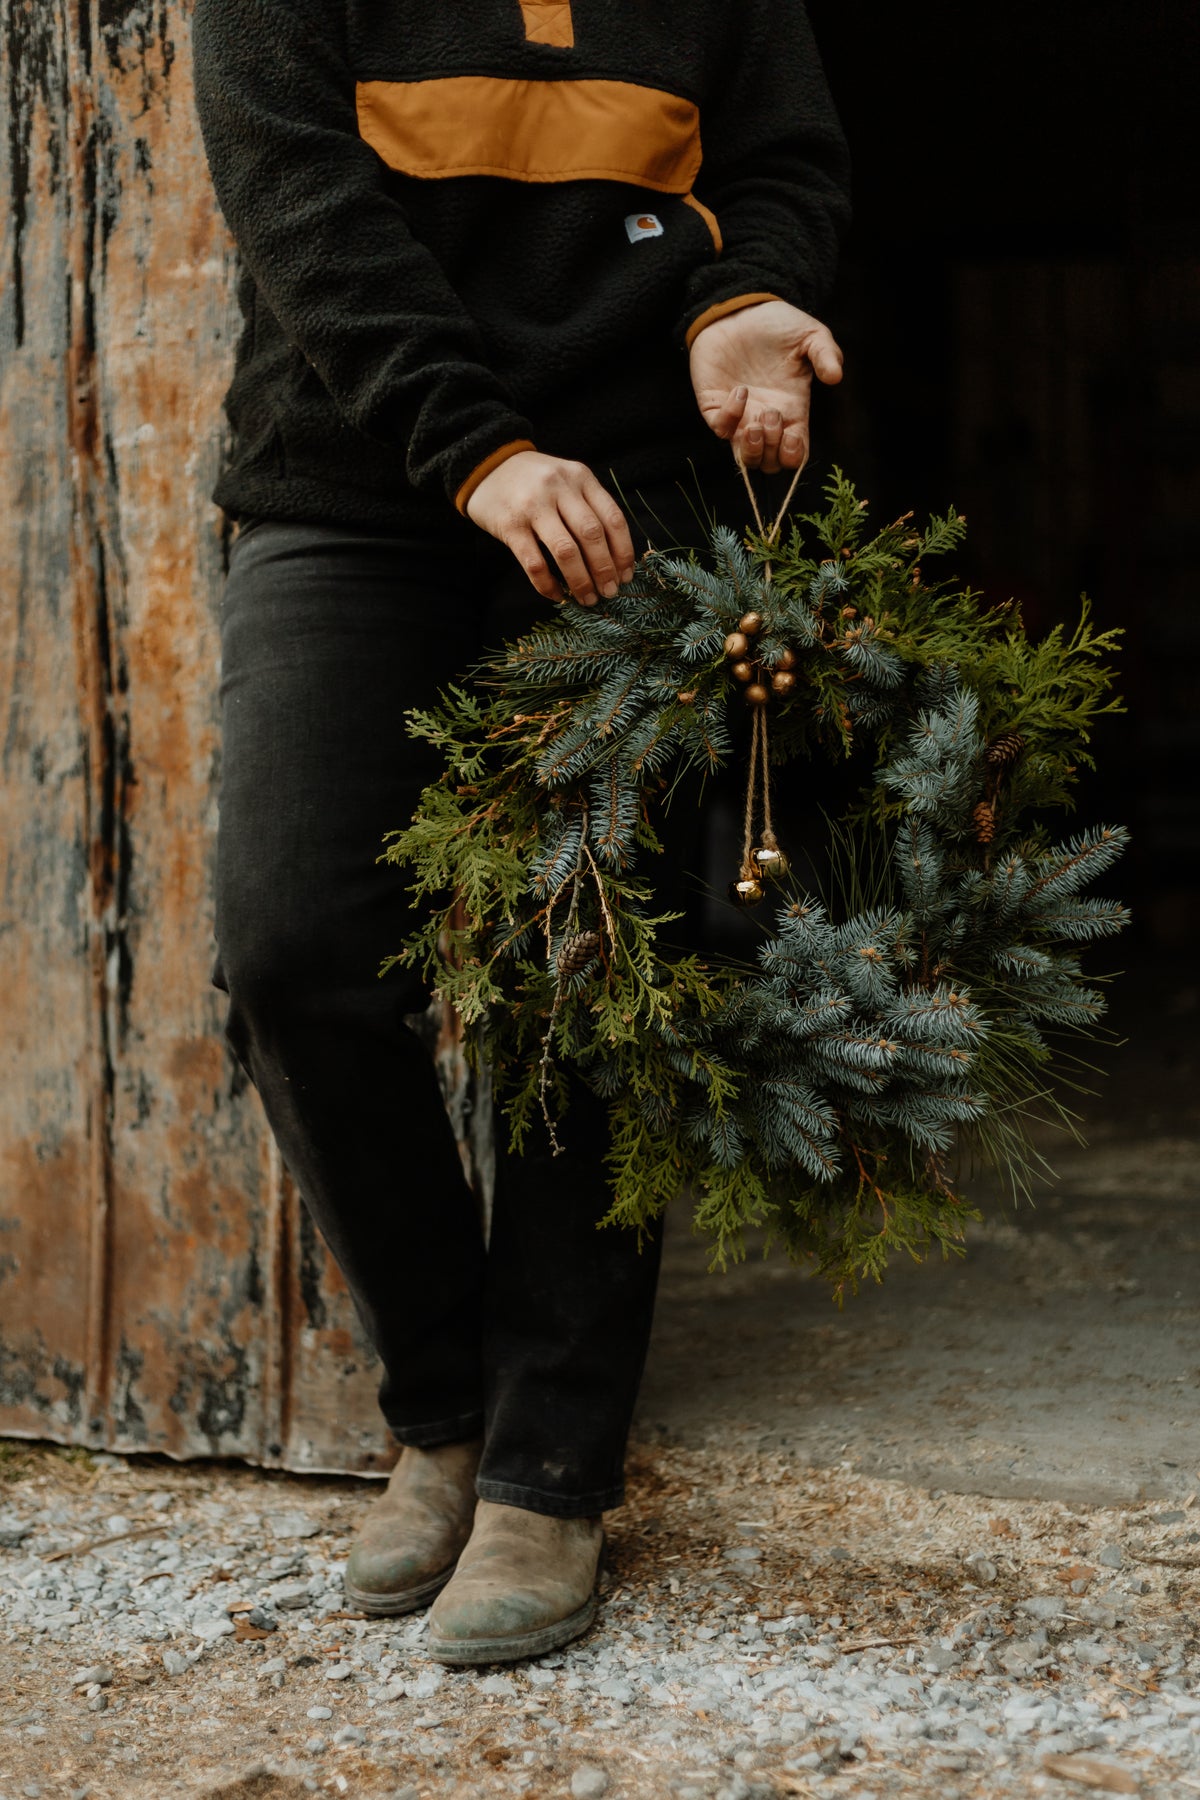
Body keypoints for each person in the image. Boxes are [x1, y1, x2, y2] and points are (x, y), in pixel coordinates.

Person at [191, 0, 850, 1665]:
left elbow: (779, 166)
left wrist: (744, 299)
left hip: (636, 497)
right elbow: (304, 219)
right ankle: (442, 1414)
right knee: (294, 944)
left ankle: (551, 1470)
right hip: (358, 488)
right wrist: (480, 450)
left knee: (598, 972)